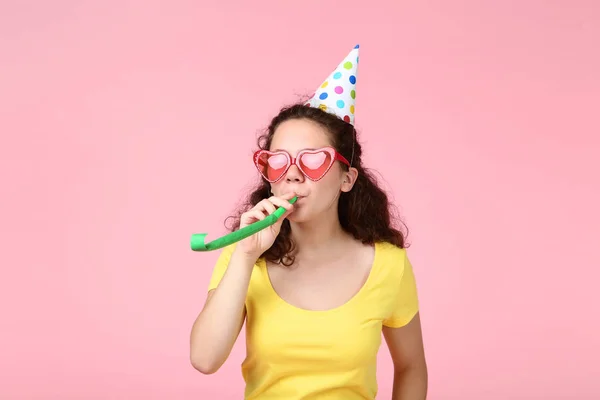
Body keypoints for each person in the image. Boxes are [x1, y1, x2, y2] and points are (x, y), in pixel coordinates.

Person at [190, 45, 428, 399]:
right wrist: (244, 257)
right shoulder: (244, 259)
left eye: (313, 160)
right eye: (279, 161)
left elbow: (411, 367)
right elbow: (204, 359)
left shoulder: (388, 265)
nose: (293, 175)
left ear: (346, 179)